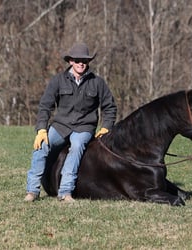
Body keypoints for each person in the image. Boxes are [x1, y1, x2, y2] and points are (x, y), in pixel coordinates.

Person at [24, 43, 117, 202]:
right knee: (41, 146)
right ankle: (32, 191)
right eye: (78, 60)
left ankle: (65, 192)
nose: (81, 63)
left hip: (84, 127)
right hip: (61, 126)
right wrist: (41, 129)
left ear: (88, 63)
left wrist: (106, 127)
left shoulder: (97, 82)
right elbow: (45, 106)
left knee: (76, 147)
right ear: (71, 62)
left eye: (85, 61)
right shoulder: (58, 80)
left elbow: (110, 106)